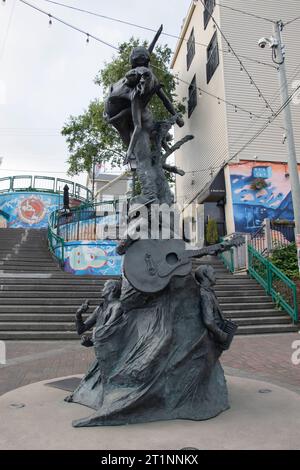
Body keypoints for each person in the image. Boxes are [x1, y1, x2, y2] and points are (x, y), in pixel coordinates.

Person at [75, 279, 123, 347]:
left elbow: (107, 329)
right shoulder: (100, 308)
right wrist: (78, 314)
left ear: (113, 288)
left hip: (113, 350)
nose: (101, 290)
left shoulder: (117, 307)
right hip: (102, 350)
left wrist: (92, 341)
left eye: (104, 287)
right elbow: (81, 329)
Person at [195, 265, 231, 349]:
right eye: (213, 273)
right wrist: (221, 334)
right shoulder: (205, 295)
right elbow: (209, 321)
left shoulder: (209, 292)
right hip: (210, 338)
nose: (216, 276)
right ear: (206, 275)